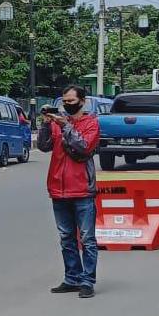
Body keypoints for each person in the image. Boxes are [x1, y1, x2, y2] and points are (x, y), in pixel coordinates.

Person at [38, 85, 101, 298]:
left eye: (71, 101)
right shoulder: (57, 123)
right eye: (64, 101)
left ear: (82, 101)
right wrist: (47, 125)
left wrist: (66, 127)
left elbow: (83, 146)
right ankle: (72, 277)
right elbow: (44, 147)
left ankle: (87, 281)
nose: (67, 105)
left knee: (87, 238)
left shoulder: (91, 123)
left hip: (82, 190)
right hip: (58, 189)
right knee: (66, 238)